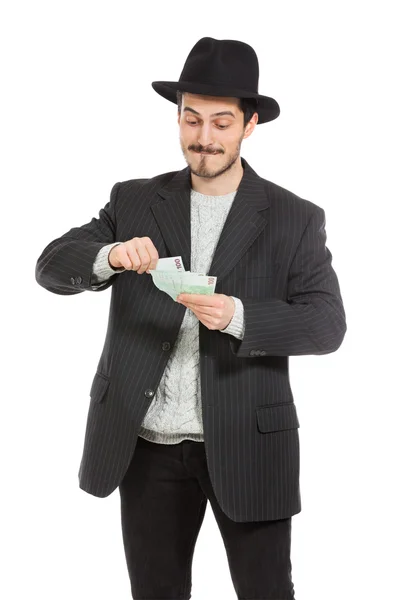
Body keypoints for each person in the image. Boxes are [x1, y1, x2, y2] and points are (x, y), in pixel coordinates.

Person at [35, 37, 347, 600]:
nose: (203, 138)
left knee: (267, 592)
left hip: (249, 443)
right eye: (192, 119)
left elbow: (327, 323)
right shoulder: (132, 201)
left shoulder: (294, 218)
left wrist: (239, 316)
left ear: (250, 125)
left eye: (222, 123)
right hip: (146, 445)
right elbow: (52, 266)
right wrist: (109, 256)